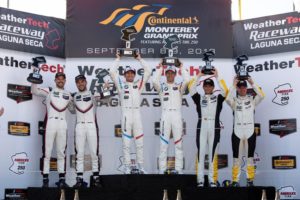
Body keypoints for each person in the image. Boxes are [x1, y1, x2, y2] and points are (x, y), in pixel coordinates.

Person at [109, 53, 151, 174]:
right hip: (126, 115)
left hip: (137, 114)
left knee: (140, 143)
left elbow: (148, 71)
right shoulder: (121, 84)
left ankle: (141, 166)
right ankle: (127, 167)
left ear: (134, 74)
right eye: (128, 73)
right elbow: (112, 72)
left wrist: (139, 59)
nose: (130, 74)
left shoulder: (139, 85)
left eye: (132, 73)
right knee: (126, 143)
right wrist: (118, 58)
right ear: (125, 75)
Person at [31, 72, 72, 188]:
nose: (60, 81)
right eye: (58, 79)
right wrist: (34, 78)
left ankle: (62, 180)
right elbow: (34, 91)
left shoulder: (68, 94)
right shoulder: (49, 90)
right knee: (47, 153)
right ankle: (45, 180)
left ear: (65, 81)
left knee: (61, 153)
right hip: (50, 123)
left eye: (62, 79)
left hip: (62, 124)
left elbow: (74, 109)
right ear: (55, 80)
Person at [188, 69, 228, 187]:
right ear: (203, 87)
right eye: (206, 86)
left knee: (212, 154)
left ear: (213, 87)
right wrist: (200, 75)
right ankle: (200, 180)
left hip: (215, 127)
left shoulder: (218, 98)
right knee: (201, 153)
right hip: (202, 126)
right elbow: (191, 88)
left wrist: (217, 77)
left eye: (210, 86)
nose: (208, 87)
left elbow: (226, 91)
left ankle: (212, 179)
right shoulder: (199, 98)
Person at [226, 77, 265, 187]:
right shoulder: (234, 101)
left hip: (250, 132)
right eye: (240, 87)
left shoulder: (252, 100)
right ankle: (235, 181)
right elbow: (227, 99)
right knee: (236, 159)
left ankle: (250, 180)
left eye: (244, 87)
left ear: (246, 88)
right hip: (237, 132)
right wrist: (233, 84)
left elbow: (262, 95)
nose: (242, 89)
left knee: (250, 158)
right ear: (237, 89)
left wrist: (252, 83)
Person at [153, 61, 189, 174]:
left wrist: (182, 67)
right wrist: (160, 68)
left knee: (178, 144)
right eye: (167, 73)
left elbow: (187, 80)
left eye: (172, 73)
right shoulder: (162, 87)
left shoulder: (179, 87)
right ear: (165, 74)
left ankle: (179, 169)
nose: (169, 75)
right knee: (163, 144)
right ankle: (162, 169)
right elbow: (154, 81)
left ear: (175, 74)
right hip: (165, 115)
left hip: (177, 116)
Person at [71, 74, 104, 188]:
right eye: (78, 82)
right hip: (79, 126)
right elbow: (71, 110)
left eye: (82, 81)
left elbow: (105, 97)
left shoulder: (93, 93)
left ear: (86, 82)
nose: (80, 84)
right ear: (76, 84)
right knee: (79, 153)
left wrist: (106, 89)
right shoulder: (74, 96)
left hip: (91, 126)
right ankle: (79, 179)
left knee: (94, 153)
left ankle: (96, 178)